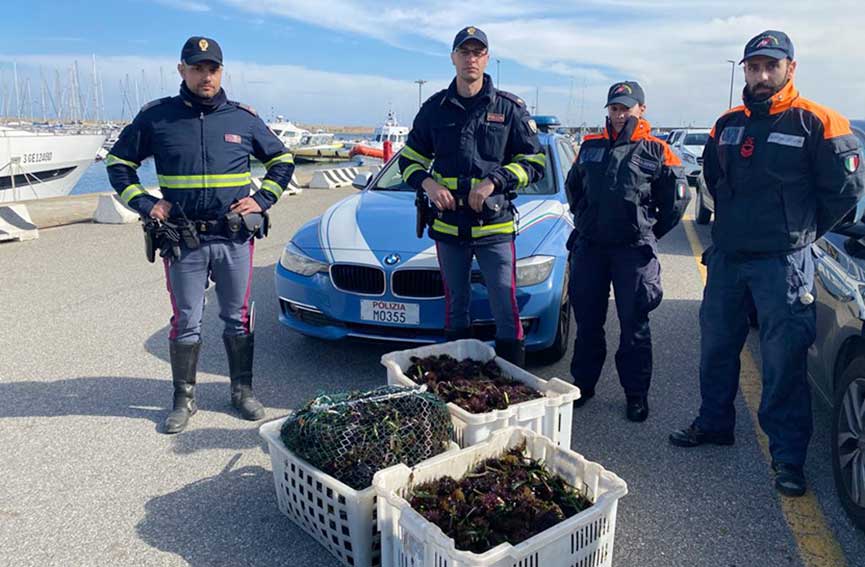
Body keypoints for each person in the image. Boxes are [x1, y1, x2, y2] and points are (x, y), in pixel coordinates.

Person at [669, 30, 865, 496]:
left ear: (789, 69)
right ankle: (715, 423)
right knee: (716, 348)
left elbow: (844, 194)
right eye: (753, 67)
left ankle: (788, 458)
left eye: (770, 67)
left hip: (783, 265)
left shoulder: (819, 122)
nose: (760, 75)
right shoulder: (727, 123)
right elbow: (713, 178)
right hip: (729, 259)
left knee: (782, 363)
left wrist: (801, 232)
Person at [106, 36, 295, 434]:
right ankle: (183, 399)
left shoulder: (242, 118)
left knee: (237, 318)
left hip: (233, 238)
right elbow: (119, 163)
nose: (205, 75)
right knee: (186, 320)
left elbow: (282, 159)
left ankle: (242, 392)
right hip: (183, 240)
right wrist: (146, 203)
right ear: (182, 70)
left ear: (221, 71)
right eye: (197, 68)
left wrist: (262, 200)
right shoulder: (156, 117)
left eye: (212, 68)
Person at [398, 26, 545, 366]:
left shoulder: (508, 109)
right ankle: (459, 382)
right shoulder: (435, 108)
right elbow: (409, 160)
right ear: (453, 58)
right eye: (464, 52)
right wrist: (428, 185)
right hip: (449, 228)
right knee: (455, 306)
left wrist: (495, 181)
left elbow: (534, 161)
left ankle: (512, 380)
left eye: (478, 52)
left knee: (505, 306)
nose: (471, 59)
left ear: (487, 59)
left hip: (494, 227)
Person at [565, 81, 689, 422]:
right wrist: (588, 220)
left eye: (626, 108)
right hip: (591, 248)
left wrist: (647, 231)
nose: (620, 115)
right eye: (614, 108)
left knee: (634, 325)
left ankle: (636, 395)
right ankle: (583, 385)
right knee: (588, 323)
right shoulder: (589, 146)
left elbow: (677, 201)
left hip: (632, 252)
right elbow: (573, 188)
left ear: (641, 110)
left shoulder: (657, 150)